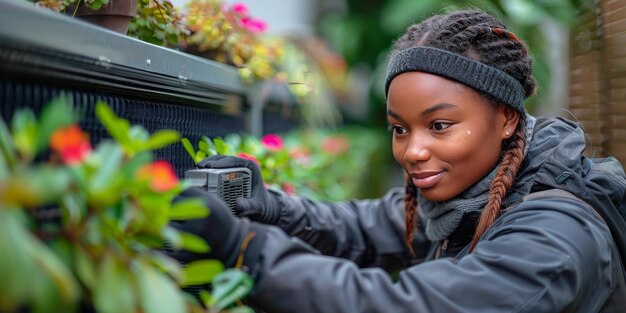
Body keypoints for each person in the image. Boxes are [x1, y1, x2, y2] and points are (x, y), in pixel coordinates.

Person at [170, 9, 626, 312]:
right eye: (400, 128)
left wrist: (244, 247)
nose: (413, 151)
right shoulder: (468, 197)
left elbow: (404, 305)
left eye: (440, 125)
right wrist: (269, 206)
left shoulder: (556, 237)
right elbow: (364, 226)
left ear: (506, 119)